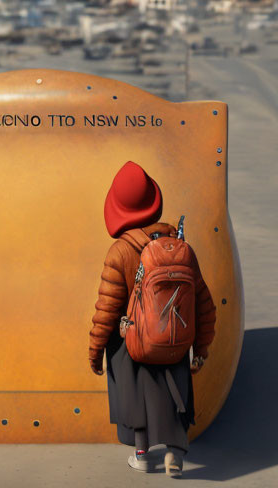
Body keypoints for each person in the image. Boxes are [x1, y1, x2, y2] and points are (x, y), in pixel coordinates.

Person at [89, 161, 215, 478]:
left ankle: (142, 454)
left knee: (131, 378)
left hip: (133, 342)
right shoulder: (181, 247)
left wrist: (96, 350)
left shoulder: (119, 252)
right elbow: (204, 304)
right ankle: (175, 452)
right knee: (174, 384)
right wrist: (200, 348)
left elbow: (107, 309)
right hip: (175, 339)